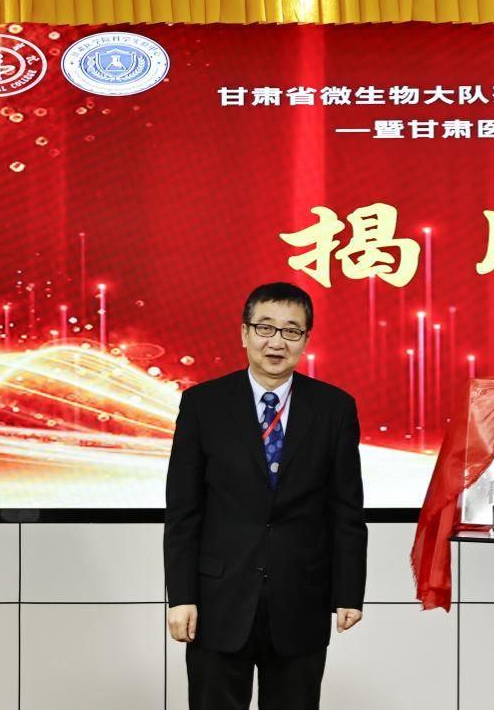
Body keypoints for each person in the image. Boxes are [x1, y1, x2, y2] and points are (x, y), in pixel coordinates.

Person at [164, 282, 368, 710]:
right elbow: (184, 510)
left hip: (301, 598)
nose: (277, 342)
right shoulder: (203, 404)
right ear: (244, 333)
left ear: (306, 340)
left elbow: (346, 510)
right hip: (218, 600)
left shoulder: (334, 408)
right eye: (265, 328)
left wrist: (349, 593)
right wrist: (181, 596)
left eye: (291, 331)